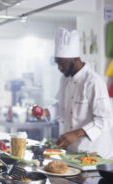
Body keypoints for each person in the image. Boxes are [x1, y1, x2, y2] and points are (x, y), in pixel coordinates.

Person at [36, 27, 113, 159]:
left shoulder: (93, 81)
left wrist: (76, 133)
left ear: (74, 58)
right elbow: (63, 106)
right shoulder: (65, 79)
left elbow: (105, 119)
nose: (59, 68)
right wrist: (46, 112)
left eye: (62, 63)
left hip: (95, 154)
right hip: (72, 152)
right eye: (57, 63)